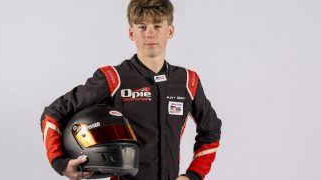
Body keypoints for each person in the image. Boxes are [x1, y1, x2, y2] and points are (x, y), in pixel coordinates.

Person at [40, 0, 222, 180]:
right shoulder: (113, 78)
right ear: (131, 33)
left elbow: (211, 130)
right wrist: (60, 163)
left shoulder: (187, 81)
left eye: (157, 26)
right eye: (142, 27)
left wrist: (194, 175)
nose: (150, 34)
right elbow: (53, 113)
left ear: (170, 31)